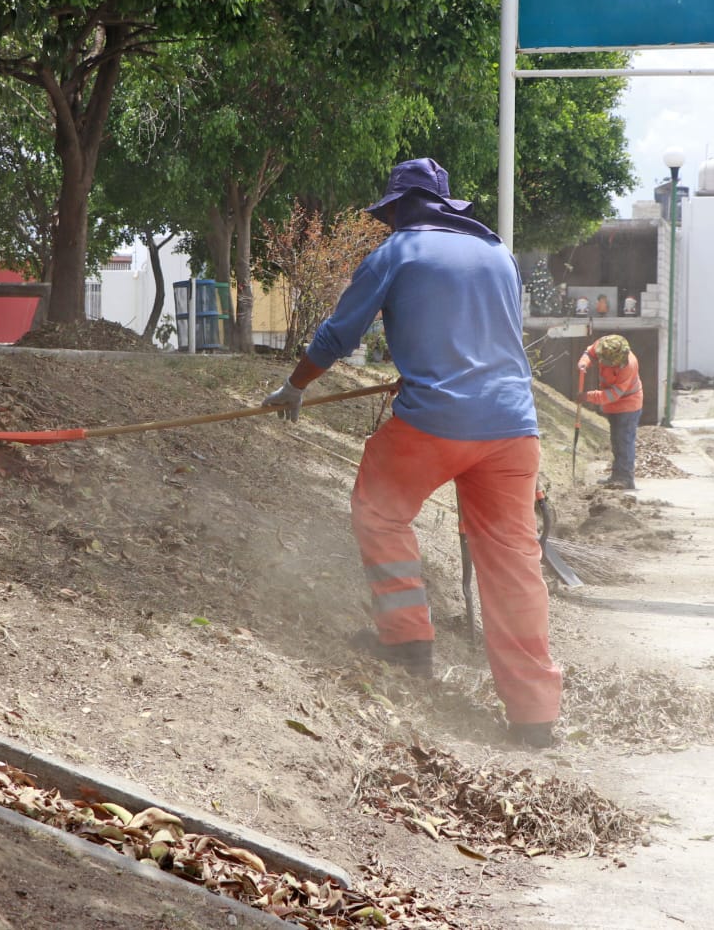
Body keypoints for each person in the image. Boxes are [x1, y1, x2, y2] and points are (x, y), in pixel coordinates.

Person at [262, 158, 562, 749]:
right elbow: (483, 338)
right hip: (512, 429)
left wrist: (295, 386)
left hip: (436, 425)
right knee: (512, 562)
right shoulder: (499, 254)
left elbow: (337, 336)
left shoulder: (399, 251)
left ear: (401, 208)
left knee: (379, 509)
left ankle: (406, 640)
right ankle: (534, 716)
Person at [577, 334, 643, 490]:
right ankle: (617, 476)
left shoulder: (628, 365)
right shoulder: (604, 344)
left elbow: (614, 394)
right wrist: (583, 363)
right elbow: (589, 353)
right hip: (613, 406)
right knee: (617, 441)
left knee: (624, 441)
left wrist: (588, 396)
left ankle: (625, 479)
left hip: (628, 405)